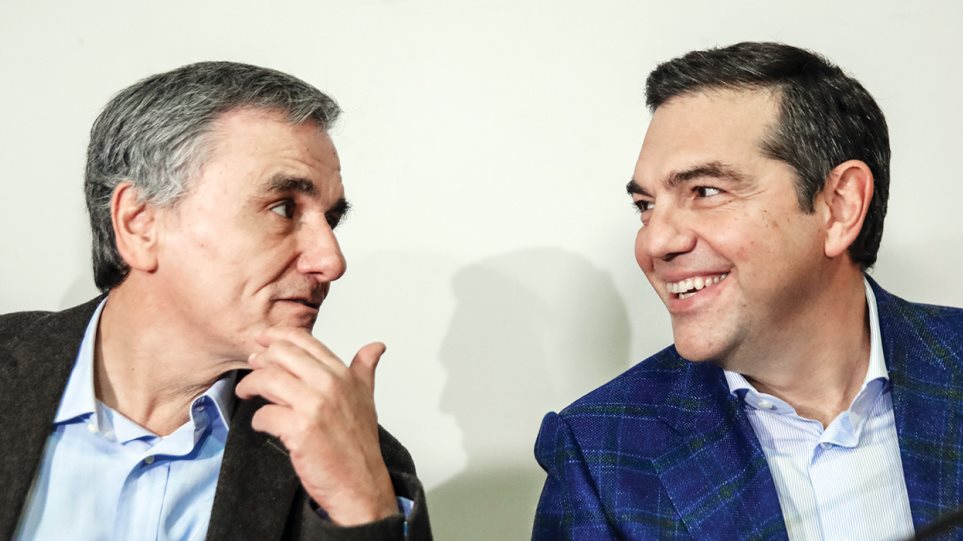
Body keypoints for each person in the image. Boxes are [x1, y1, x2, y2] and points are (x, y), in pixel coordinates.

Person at [532, 42, 963, 540]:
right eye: (646, 205)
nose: (655, 242)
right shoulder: (599, 455)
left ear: (840, 206)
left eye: (705, 191)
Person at [0, 61, 431, 540]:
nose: (331, 261)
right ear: (140, 223)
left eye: (329, 220)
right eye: (283, 208)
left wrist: (361, 506)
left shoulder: (358, 461)